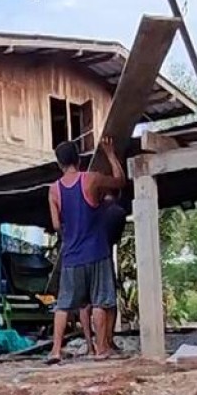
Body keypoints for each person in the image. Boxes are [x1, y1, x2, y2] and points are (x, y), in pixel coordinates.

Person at [47, 136, 125, 363]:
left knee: (63, 305)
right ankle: (101, 350)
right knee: (100, 301)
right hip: (97, 252)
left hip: (72, 255)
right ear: (78, 159)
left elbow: (55, 224)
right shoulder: (91, 179)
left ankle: (55, 350)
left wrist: (71, 232)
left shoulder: (54, 190)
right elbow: (120, 181)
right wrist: (110, 154)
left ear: (59, 164)